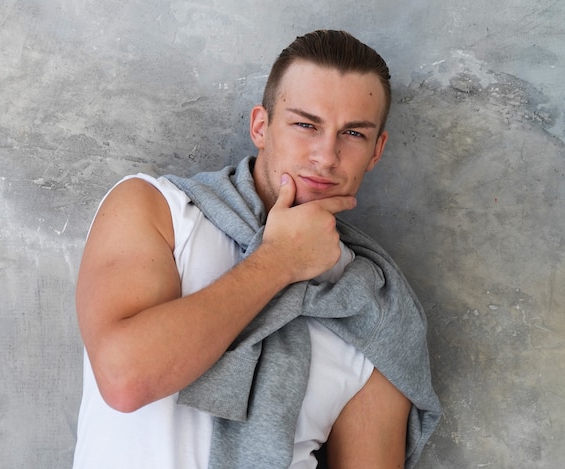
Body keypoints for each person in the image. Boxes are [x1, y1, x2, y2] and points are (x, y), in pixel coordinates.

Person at [73, 29, 441, 469]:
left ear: (377, 150)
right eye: (306, 125)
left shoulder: (374, 306)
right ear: (260, 127)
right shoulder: (160, 210)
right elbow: (124, 380)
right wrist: (279, 262)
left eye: (354, 134)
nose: (326, 156)